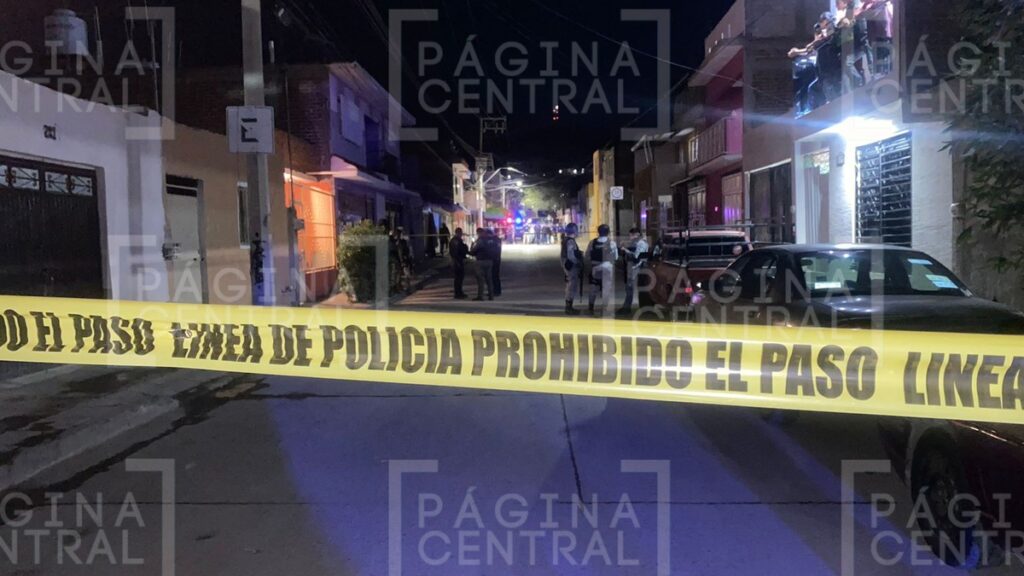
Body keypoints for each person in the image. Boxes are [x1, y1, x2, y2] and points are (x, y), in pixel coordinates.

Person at [586, 224, 619, 316]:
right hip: (607, 268)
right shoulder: (612, 243)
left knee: (593, 289)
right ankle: (604, 309)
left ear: (598, 232)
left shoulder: (592, 242)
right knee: (606, 289)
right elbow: (616, 257)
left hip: (595, 268)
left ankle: (591, 308)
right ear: (608, 232)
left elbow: (587, 256)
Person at [618, 228, 649, 316]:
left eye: (631, 235)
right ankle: (627, 306)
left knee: (630, 288)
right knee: (630, 288)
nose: (630, 237)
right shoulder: (637, 243)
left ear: (637, 235)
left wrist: (625, 250)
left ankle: (627, 308)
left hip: (635, 268)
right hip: (634, 268)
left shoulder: (641, 244)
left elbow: (636, 257)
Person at [560, 222, 584, 315]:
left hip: (567, 265)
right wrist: (577, 262)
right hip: (571, 266)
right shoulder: (570, 241)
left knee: (570, 285)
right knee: (571, 286)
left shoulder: (566, 240)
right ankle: (569, 307)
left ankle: (569, 306)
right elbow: (570, 255)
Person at [470, 228, 495, 301]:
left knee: (480, 279)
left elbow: (473, 251)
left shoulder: (480, 240)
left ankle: (480, 296)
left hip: (481, 261)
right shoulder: (490, 240)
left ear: (479, 233)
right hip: (489, 261)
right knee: (489, 279)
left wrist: (472, 244)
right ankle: (491, 295)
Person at [449, 227, 469, 299]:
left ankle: (459, 292)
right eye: (460, 233)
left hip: (456, 260)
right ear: (458, 233)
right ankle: (458, 293)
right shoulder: (457, 241)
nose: (461, 235)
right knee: (459, 278)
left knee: (458, 278)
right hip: (458, 261)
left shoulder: (454, 240)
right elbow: (459, 251)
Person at [491, 228, 503, 297]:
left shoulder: (493, 239)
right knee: (496, 276)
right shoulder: (498, 240)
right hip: (497, 259)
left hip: (494, 259)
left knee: (494, 276)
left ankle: (495, 291)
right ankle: (497, 290)